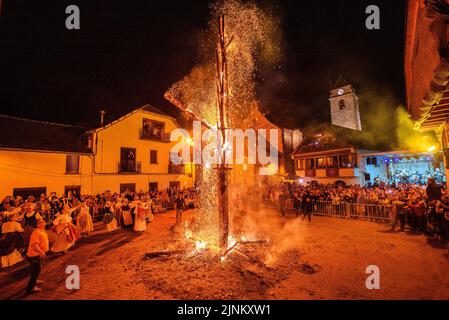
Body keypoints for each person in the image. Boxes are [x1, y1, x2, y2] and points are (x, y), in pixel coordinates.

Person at [26, 219, 48, 294]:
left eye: (43, 221)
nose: (43, 223)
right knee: (35, 271)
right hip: (34, 255)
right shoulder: (36, 232)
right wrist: (41, 252)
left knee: (38, 269)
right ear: (37, 225)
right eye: (40, 222)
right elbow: (34, 245)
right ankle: (31, 287)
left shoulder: (42, 230)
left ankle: (35, 280)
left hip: (38, 254)